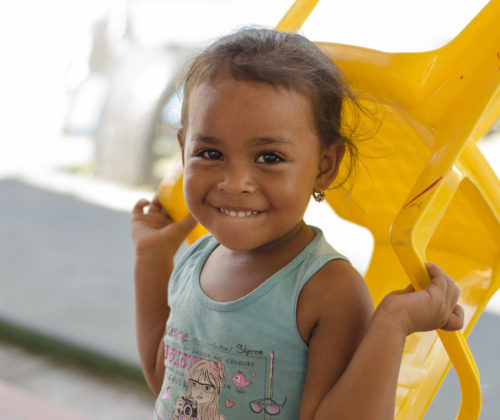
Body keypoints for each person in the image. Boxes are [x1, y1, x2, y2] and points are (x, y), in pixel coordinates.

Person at [131, 28, 464, 420]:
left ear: (324, 167)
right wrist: (152, 259)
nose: (235, 183)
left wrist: (393, 325)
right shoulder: (194, 263)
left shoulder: (327, 290)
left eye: (269, 157)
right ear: (184, 152)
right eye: (211, 152)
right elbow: (164, 380)